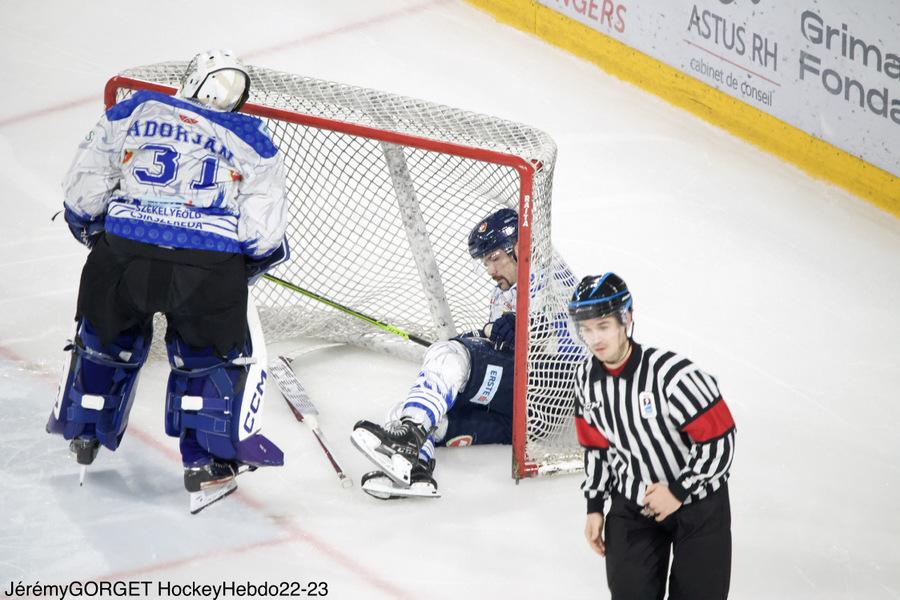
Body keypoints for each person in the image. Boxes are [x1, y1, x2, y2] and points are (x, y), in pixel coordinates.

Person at [46, 49, 289, 514]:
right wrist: (247, 266)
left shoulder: (135, 108)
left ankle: (84, 430)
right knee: (206, 360)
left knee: (105, 339)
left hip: (125, 253)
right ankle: (207, 463)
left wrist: (93, 226)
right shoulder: (253, 136)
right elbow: (263, 234)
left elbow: (85, 183)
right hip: (207, 267)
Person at [351, 207, 578, 499]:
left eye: (495, 258)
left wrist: (526, 330)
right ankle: (414, 467)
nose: (491, 271)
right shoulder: (501, 294)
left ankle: (408, 441)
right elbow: (505, 346)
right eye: (486, 263)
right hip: (518, 416)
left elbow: (563, 337)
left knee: (448, 353)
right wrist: (490, 338)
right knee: (413, 412)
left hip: (547, 389)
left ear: (520, 247)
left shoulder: (550, 278)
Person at [569, 272, 735, 599]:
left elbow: (720, 439)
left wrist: (677, 491)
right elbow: (596, 446)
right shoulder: (586, 379)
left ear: (626, 319)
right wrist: (594, 506)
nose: (595, 339)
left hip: (698, 505)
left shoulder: (674, 375)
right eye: (586, 329)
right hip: (634, 506)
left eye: (603, 326)